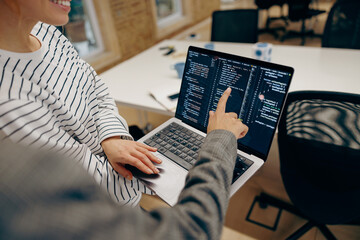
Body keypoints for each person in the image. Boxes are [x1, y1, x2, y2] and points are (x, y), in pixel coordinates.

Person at [0, 88, 249, 240]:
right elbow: (192, 232)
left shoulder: (50, 34)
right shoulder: (15, 174)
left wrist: (110, 137)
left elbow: (96, 91)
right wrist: (220, 139)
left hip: (129, 208)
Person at [0, 0, 162, 206]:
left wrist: (110, 137)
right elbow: (93, 190)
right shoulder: (9, 101)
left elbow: (95, 88)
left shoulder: (46, 31)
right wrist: (180, 173)